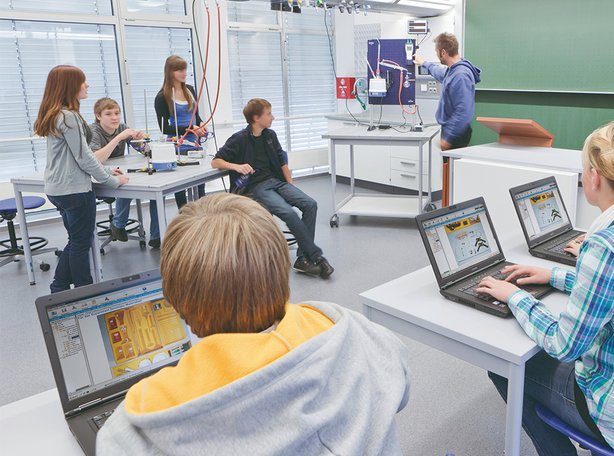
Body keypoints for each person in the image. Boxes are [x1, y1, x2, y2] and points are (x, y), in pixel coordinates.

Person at [96, 193, 410, 455]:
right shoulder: (357, 333)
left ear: (177, 302)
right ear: (280, 270)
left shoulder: (134, 431)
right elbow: (402, 390)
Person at [475, 121, 614, 455]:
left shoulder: (607, 245)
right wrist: (554, 276)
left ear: (595, 177)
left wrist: (516, 298)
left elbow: (563, 344)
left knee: (504, 366)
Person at [212, 98, 334, 279]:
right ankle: (314, 255)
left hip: (276, 182)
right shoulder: (239, 139)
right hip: (256, 187)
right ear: (256, 118)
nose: (273, 117)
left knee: (310, 204)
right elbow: (215, 161)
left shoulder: (270, 136)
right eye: (268, 114)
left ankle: (302, 259)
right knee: (289, 213)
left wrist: (290, 184)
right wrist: (237, 167)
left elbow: (281, 159)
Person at [32, 65, 128, 294]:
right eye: (83, 81)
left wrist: (105, 173)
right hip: (74, 190)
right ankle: (85, 291)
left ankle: (60, 286)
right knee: (81, 243)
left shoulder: (55, 114)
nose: (87, 85)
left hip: (58, 188)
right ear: (70, 86)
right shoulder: (69, 117)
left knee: (76, 240)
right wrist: (111, 181)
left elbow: (75, 157)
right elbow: (84, 157)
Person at [88, 97, 162, 249]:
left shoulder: (122, 127)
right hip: (98, 176)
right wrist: (119, 137)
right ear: (98, 115)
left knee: (156, 190)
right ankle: (118, 224)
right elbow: (96, 159)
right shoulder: (92, 131)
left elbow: (145, 153)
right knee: (124, 184)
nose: (114, 117)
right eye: (108, 114)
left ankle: (156, 236)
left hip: (119, 171)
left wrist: (142, 142)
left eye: (117, 113)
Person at [154, 55, 207, 209]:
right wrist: (189, 129)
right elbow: (164, 128)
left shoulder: (190, 89)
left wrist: (201, 125)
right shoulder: (162, 97)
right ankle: (185, 219)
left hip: (195, 144)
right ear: (169, 72)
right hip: (179, 146)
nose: (184, 73)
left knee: (200, 187)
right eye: (179, 70)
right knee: (181, 189)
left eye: (184, 69)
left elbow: (196, 116)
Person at [413, 32, 481, 151]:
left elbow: (463, 112)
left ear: (443, 52)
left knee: (452, 169)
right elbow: (441, 73)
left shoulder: (460, 75)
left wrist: (448, 138)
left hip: (456, 134)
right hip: (453, 130)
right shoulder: (454, 70)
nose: (437, 55)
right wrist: (424, 63)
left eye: (436, 52)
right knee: (448, 168)